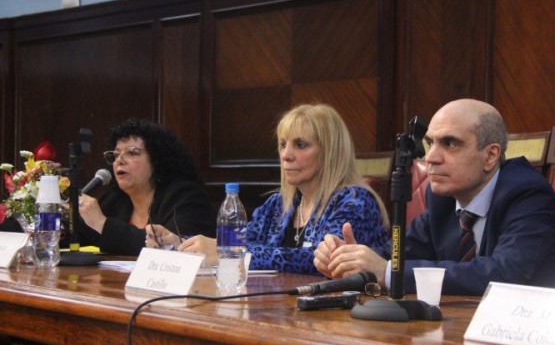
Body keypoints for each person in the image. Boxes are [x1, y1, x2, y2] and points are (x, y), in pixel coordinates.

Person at [314, 98, 555, 295]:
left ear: (490, 156)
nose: (431, 158)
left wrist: (389, 272)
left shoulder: (528, 195)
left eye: (450, 143)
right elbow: (401, 252)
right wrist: (348, 258)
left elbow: (504, 274)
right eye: (430, 143)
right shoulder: (443, 197)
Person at [150, 103, 390, 274]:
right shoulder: (278, 204)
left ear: (330, 152)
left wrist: (226, 252)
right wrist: (179, 242)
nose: (286, 155)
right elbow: (242, 242)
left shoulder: (354, 200)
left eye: (300, 145)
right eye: (283, 144)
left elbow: (319, 262)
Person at [78, 118, 215, 255]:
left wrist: (102, 223)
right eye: (115, 155)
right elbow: (78, 237)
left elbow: (172, 248)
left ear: (157, 160)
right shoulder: (114, 200)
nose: (119, 161)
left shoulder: (185, 197)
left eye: (132, 153)